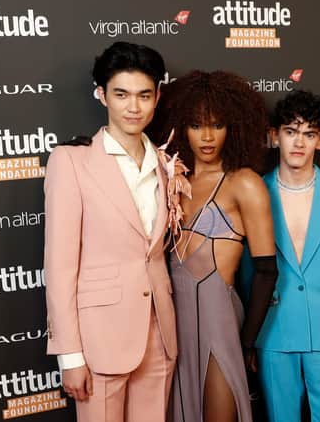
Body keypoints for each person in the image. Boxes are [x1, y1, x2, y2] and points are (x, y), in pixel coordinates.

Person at [43, 41, 177, 422]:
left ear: (157, 98)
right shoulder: (71, 161)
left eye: (143, 95)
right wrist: (70, 354)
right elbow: (59, 266)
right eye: (121, 94)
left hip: (160, 334)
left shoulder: (166, 164)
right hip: (98, 340)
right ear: (102, 95)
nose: (133, 107)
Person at [156, 70, 278, 422]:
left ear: (233, 127)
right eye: (196, 125)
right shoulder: (172, 180)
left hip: (219, 320)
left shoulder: (245, 183)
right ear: (181, 128)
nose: (207, 136)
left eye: (217, 124)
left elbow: (267, 271)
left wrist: (246, 341)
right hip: (170, 322)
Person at [250, 90, 320, 422]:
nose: (299, 142)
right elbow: (247, 274)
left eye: (309, 134)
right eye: (290, 131)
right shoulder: (255, 191)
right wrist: (250, 338)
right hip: (273, 332)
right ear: (275, 136)